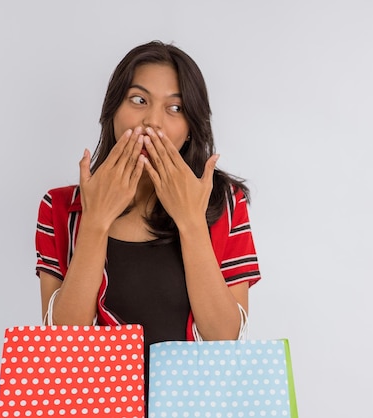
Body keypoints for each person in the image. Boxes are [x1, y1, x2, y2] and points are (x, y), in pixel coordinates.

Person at [35, 41, 261, 350]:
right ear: (112, 110)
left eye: (175, 108)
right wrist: (96, 222)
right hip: (98, 399)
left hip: (190, 398)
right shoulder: (59, 208)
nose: (152, 121)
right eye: (138, 100)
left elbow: (226, 340)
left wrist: (191, 221)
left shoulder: (225, 203)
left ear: (191, 127)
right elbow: (61, 343)